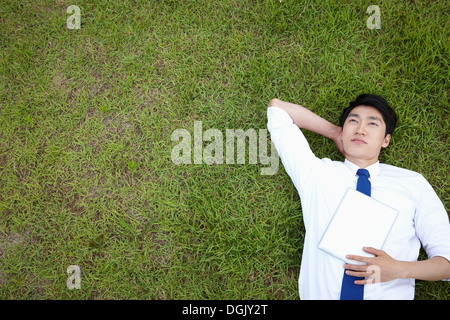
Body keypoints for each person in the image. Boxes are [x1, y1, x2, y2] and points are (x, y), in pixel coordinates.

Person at [266, 94, 450, 300]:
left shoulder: (413, 184)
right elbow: (278, 109)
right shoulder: (317, 173)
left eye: (372, 124)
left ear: (386, 140)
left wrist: (400, 269)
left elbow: (447, 263)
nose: (360, 129)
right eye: (353, 121)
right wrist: (336, 133)